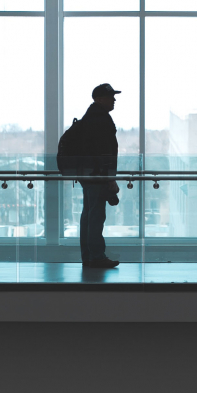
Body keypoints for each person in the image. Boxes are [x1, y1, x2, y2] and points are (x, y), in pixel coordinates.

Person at [79, 83, 121, 269]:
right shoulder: (101, 120)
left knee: (88, 215)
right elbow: (105, 153)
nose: (114, 99)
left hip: (87, 174)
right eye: (111, 96)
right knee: (96, 216)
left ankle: (88, 256)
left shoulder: (89, 118)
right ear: (99, 99)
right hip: (97, 176)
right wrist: (110, 178)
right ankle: (97, 256)